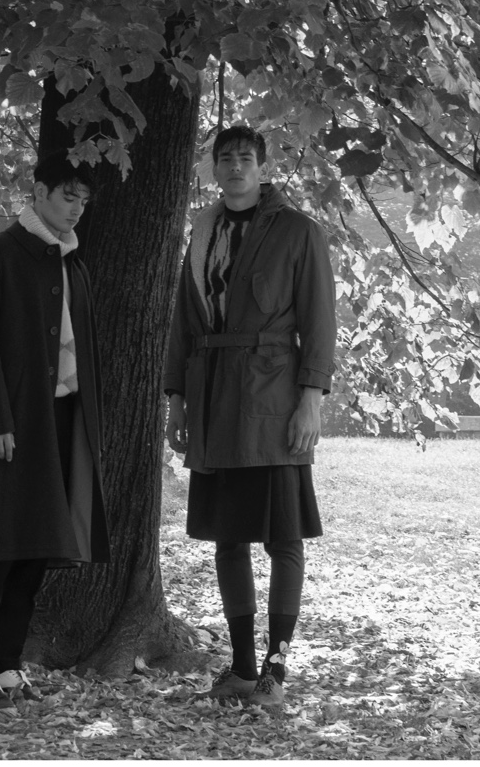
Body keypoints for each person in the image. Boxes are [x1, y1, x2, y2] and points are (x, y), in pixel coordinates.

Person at [164, 125, 337, 709]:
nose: (235, 166)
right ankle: (239, 667)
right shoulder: (204, 230)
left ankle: (276, 670)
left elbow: (317, 320)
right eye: (225, 158)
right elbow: (184, 321)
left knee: (283, 538)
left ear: (262, 167)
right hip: (211, 398)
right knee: (228, 538)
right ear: (213, 168)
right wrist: (176, 399)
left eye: (245, 157)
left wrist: (311, 396)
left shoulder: (298, 232)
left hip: (273, 399)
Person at [0, 150, 109, 710]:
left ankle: (10, 667)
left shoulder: (73, 264)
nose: (77, 209)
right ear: (39, 192)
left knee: (35, 549)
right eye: (69, 196)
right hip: (9, 423)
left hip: (60, 422)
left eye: (84, 201)